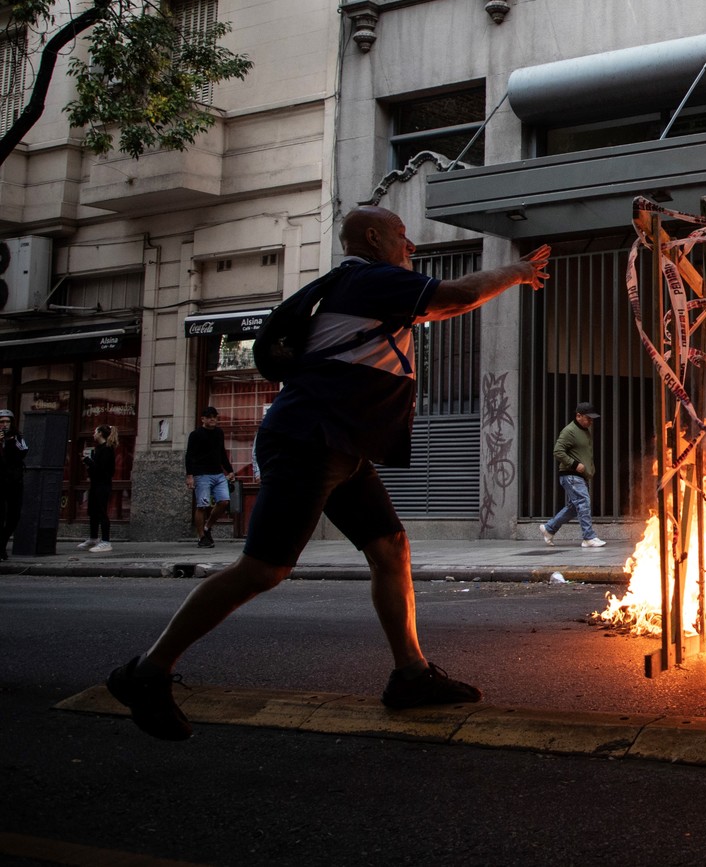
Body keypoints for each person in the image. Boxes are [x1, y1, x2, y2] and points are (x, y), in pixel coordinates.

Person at [106, 205, 550, 740]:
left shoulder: (366, 288)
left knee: (391, 549)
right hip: (309, 442)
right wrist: (518, 271)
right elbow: (456, 298)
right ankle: (147, 672)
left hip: (343, 446)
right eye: (403, 238)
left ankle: (411, 674)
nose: (410, 249)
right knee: (263, 569)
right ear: (372, 238)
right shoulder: (368, 279)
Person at [539, 402, 606, 548]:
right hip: (570, 474)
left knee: (574, 507)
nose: (590, 421)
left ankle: (549, 529)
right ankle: (588, 537)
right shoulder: (569, 431)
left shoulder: (584, 430)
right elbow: (557, 451)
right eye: (588, 418)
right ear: (578, 416)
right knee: (583, 502)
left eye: (592, 419)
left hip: (578, 475)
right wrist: (575, 464)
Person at [185, 406, 236, 548]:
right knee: (202, 505)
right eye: (209, 417)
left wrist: (229, 470)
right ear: (203, 419)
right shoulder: (195, 435)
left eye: (215, 416)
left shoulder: (219, 433)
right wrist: (190, 476)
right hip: (202, 474)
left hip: (218, 474)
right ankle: (202, 537)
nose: (213, 419)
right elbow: (189, 456)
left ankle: (207, 526)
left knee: (224, 501)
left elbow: (222, 453)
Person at [78, 425, 118, 553]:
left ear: (100, 433)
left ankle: (106, 541)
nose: (93, 434)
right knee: (93, 512)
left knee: (101, 512)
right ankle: (93, 538)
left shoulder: (107, 449)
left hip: (103, 484)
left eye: (95, 432)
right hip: (96, 484)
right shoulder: (99, 448)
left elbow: (103, 470)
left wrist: (89, 462)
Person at [0, 409, 27, 561]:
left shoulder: (17, 438)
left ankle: (2, 545)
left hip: (14, 482)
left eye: (7, 421)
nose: (4, 425)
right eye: (2, 422)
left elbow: (22, 453)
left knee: (14, 516)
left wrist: (10, 442)